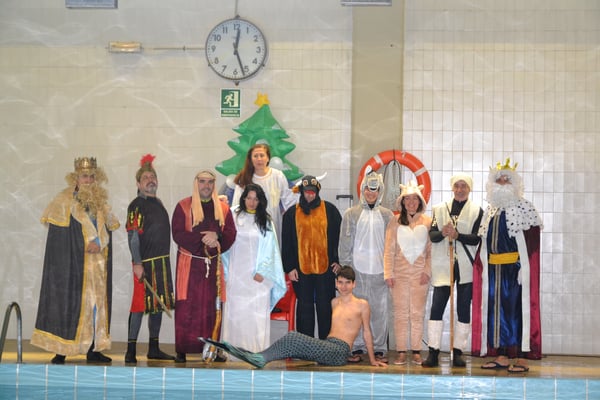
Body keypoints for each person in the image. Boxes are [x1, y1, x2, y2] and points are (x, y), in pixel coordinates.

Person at [200, 266, 388, 368]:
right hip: (328, 345)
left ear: (354, 284)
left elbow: (367, 333)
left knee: (293, 337)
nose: (344, 286)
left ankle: (261, 358)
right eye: (340, 282)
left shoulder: (362, 305)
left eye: (348, 283)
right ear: (336, 283)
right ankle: (260, 357)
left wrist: (372, 360)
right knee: (292, 342)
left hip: (339, 352)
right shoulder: (334, 302)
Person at [31, 157, 120, 364]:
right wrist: (81, 247)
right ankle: (62, 350)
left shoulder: (100, 202)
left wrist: (100, 243)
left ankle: (93, 349)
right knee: (69, 304)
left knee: (96, 307)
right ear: (76, 178)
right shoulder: (63, 201)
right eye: (84, 176)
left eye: (91, 177)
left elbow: (107, 229)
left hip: (97, 266)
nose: (88, 180)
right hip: (73, 265)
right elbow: (60, 238)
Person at [473, 159, 543, 373]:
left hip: (514, 271)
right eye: (499, 180)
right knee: (497, 314)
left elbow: (531, 242)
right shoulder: (490, 210)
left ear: (514, 183)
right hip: (494, 271)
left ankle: (521, 357)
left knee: (516, 312)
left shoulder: (524, 207)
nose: (502, 183)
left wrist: (525, 267)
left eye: (507, 180)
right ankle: (502, 355)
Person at [171, 170, 237, 363]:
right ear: (196, 183)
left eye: (210, 182)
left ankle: (212, 350)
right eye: (202, 181)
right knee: (187, 307)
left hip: (213, 266)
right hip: (189, 265)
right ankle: (182, 349)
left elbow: (231, 233)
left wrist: (218, 237)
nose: (206, 186)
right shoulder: (183, 206)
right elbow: (178, 234)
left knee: (212, 307)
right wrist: (204, 240)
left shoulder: (223, 208)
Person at [422, 174, 483, 368]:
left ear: (469, 189)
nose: (460, 189)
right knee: (437, 307)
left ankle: (458, 352)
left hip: (465, 266)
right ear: (452, 188)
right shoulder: (440, 209)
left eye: (464, 186)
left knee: (463, 308)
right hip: (443, 264)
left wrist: (458, 235)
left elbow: (476, 238)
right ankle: (433, 351)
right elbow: (432, 235)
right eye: (457, 186)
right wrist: (443, 233)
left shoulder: (477, 211)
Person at [221, 184, 287, 353]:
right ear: (243, 198)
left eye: (255, 199)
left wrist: (263, 271)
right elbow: (225, 243)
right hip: (236, 274)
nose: (251, 202)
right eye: (249, 198)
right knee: (236, 313)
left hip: (258, 277)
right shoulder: (233, 215)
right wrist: (225, 273)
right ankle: (233, 351)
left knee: (255, 315)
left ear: (260, 201)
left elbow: (272, 248)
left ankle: (256, 352)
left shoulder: (265, 220)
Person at [124, 154, 176, 364]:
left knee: (158, 305)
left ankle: (153, 348)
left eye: (152, 177)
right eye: (145, 178)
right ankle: (130, 350)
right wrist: (137, 263)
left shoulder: (159, 203)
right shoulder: (136, 205)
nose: (150, 180)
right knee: (139, 306)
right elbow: (133, 237)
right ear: (138, 183)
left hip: (161, 263)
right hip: (144, 264)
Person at [338, 169, 394, 363]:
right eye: (368, 189)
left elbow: (392, 245)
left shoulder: (387, 216)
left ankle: (378, 348)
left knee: (379, 312)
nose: (371, 193)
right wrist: (346, 271)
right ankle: (356, 346)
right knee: (355, 312)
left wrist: (390, 271)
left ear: (380, 191)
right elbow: (345, 243)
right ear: (362, 190)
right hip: (357, 272)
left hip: (380, 272)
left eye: (375, 190)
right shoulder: (351, 214)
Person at [281, 174, 342, 339]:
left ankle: (327, 345)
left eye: (313, 192)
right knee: (304, 309)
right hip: (301, 270)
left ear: (317, 192)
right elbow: (286, 243)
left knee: (325, 307)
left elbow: (339, 238)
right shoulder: (291, 214)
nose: (310, 195)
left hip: (326, 269)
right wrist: (289, 267)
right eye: (307, 191)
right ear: (302, 191)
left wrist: (337, 261)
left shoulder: (330, 211)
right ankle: (305, 346)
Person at [384, 180, 432, 365]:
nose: (411, 202)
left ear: (420, 201)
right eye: (407, 199)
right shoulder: (394, 221)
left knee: (417, 314)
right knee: (400, 314)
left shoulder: (427, 222)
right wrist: (388, 273)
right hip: (399, 276)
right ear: (402, 202)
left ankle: (417, 351)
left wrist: (427, 271)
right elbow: (388, 250)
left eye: (415, 199)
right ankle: (402, 351)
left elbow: (431, 251)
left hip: (420, 276)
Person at [232, 143, 298, 242]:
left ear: (268, 158)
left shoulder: (278, 176)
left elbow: (288, 200)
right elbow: (236, 204)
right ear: (251, 159)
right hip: (250, 227)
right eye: (255, 156)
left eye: (262, 155)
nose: (259, 159)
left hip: (273, 223)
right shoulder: (244, 178)